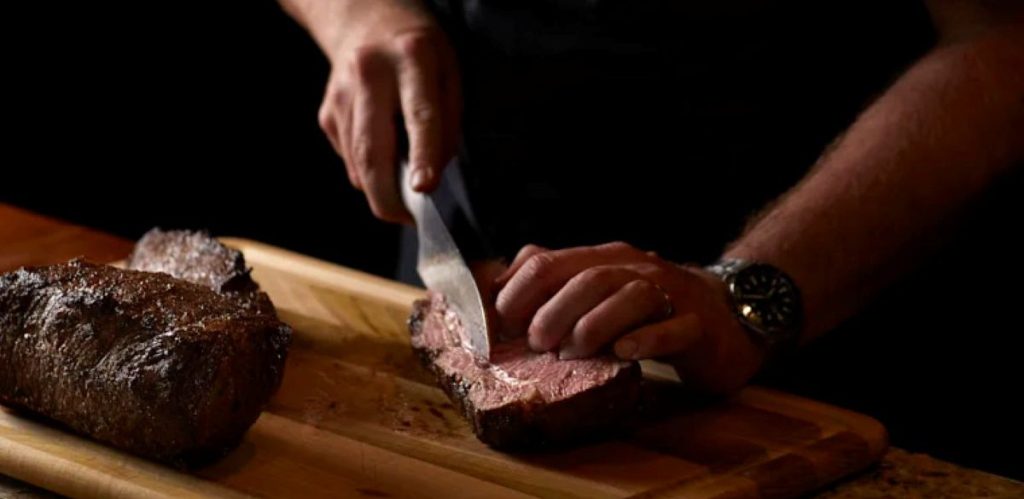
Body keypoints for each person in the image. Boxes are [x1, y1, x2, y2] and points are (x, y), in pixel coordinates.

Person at [277, 0, 1023, 476]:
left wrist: (751, 292)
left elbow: (1000, 40)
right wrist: (355, 16)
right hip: (462, 243)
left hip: (803, 337)